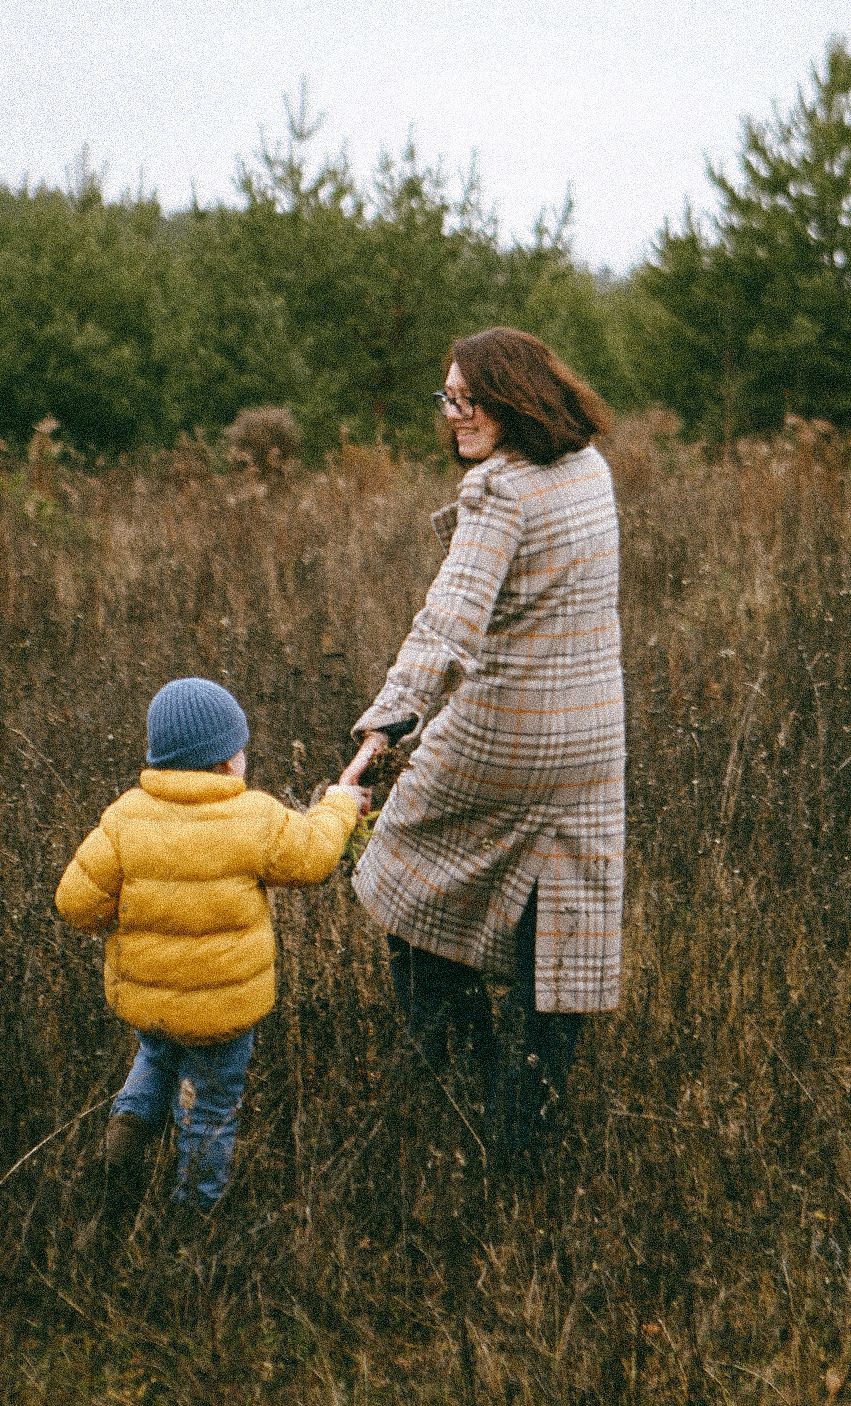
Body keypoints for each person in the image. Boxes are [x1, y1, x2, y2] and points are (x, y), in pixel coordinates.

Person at [350, 327, 625, 1157]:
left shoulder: (499, 493)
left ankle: (450, 1060)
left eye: (470, 399)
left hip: (505, 733)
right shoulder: (589, 470)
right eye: (448, 398)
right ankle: (523, 1141)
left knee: (395, 867)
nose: (456, 415)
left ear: (515, 398)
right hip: (590, 745)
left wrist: (386, 726)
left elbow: (448, 626)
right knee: (562, 929)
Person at [55, 676, 368, 1217]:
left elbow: (74, 902)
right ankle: (192, 1222)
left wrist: (125, 917)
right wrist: (339, 804)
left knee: (153, 1063)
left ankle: (117, 1160)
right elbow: (316, 856)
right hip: (223, 1015)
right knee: (210, 1110)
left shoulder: (126, 817)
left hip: (151, 1006)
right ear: (227, 763)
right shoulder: (256, 818)